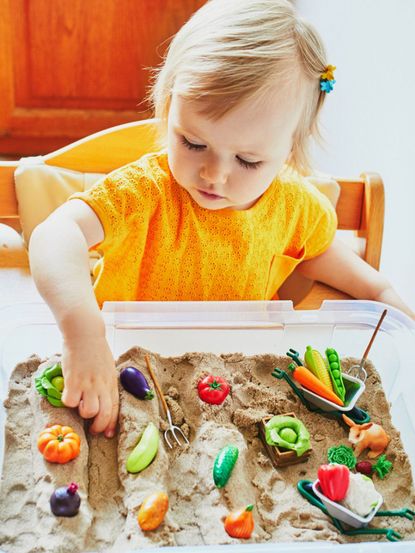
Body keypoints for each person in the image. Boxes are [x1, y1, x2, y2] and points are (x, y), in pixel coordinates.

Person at [28, 0, 414, 439]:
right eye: (192, 143)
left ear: (289, 149)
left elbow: (369, 286)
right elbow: (54, 235)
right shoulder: (143, 192)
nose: (214, 174)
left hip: (230, 392)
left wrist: (396, 308)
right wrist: (82, 330)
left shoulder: (293, 209)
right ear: (169, 108)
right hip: (124, 370)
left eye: (248, 160)